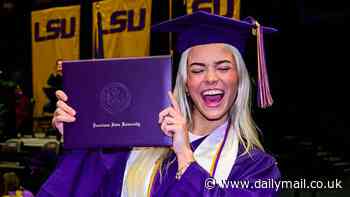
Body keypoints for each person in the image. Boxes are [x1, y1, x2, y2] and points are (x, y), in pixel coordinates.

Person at [37, 11, 280, 196]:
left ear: (239, 78)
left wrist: (185, 155)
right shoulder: (136, 143)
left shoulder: (257, 168)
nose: (211, 78)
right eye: (197, 69)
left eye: (224, 67)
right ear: (185, 82)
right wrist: (79, 138)